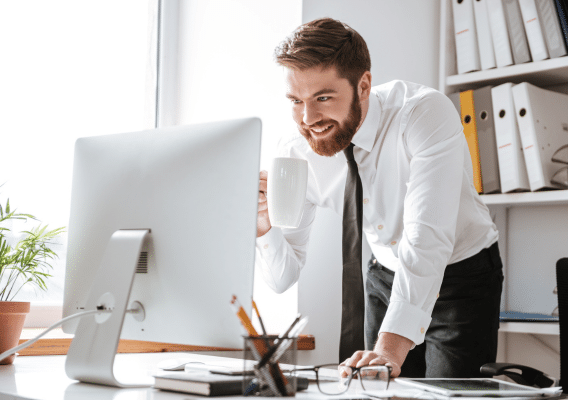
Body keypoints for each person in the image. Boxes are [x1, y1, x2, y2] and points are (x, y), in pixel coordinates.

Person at [255, 17, 503, 378]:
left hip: (461, 276)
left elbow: (427, 238)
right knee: (378, 388)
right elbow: (281, 277)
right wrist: (264, 227)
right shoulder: (296, 151)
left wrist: (388, 349)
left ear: (364, 85)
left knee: (449, 394)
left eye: (323, 97)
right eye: (296, 100)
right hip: (385, 273)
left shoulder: (423, 113)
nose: (308, 118)